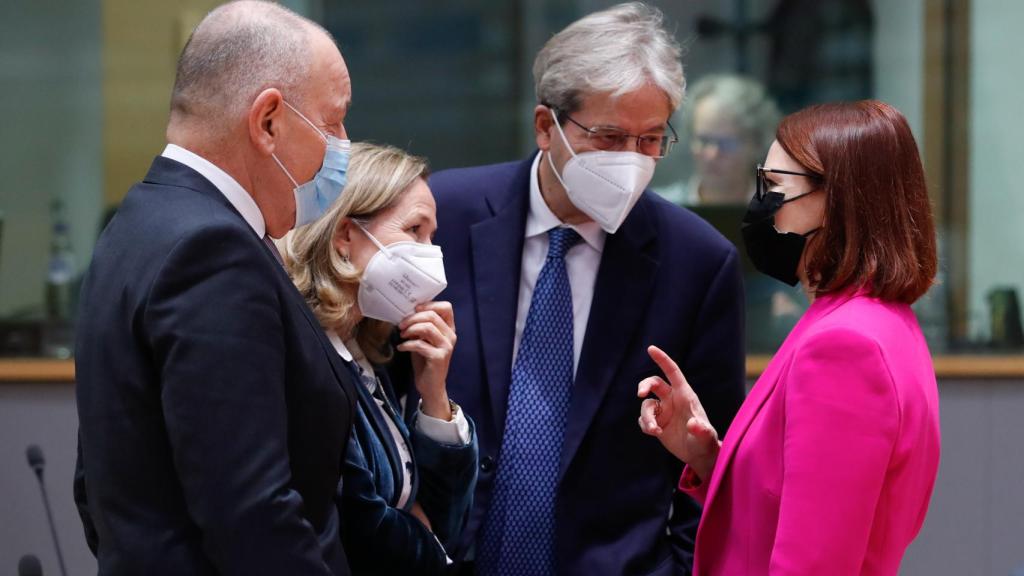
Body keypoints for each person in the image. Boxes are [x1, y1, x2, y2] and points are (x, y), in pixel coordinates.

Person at [415, 3, 747, 574]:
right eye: (611, 137)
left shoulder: (697, 261)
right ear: (547, 126)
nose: (632, 161)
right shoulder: (442, 214)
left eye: (650, 141)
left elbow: (714, 458)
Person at [73, 3, 358, 574]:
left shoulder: (140, 220)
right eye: (333, 121)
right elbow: (252, 514)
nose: (343, 145)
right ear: (269, 121)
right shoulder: (213, 251)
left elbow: (97, 483)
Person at [639, 100, 941, 575]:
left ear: (839, 201)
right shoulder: (877, 320)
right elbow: (796, 500)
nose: (763, 206)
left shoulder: (844, 346)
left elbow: (814, 561)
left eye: (775, 187)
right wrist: (709, 455)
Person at [283, 143, 478, 575]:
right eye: (414, 230)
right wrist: (426, 540)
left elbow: (447, 517)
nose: (431, 252)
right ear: (345, 235)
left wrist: (434, 395)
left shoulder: (372, 349)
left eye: (432, 235)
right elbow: (357, 519)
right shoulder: (306, 346)